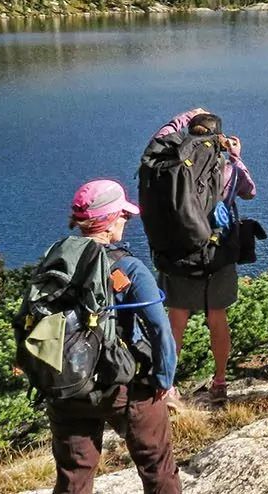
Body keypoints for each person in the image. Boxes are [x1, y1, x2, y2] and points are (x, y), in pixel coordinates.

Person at [50, 179, 180, 494]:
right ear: (108, 222)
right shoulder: (129, 268)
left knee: (74, 475)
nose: (126, 220)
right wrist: (163, 378)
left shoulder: (57, 259)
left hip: (68, 383)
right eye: (123, 215)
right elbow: (159, 327)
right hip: (123, 384)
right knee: (156, 465)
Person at [151, 108, 256, 403]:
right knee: (217, 317)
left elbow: (157, 141)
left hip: (179, 253)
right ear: (219, 137)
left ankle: (167, 387)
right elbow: (250, 192)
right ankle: (220, 382)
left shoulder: (172, 162)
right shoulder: (227, 166)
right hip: (217, 253)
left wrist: (182, 118)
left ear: (189, 133)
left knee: (176, 320)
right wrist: (235, 156)